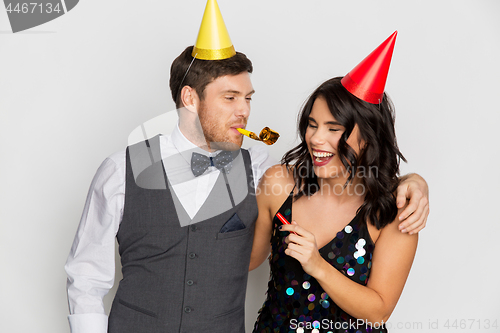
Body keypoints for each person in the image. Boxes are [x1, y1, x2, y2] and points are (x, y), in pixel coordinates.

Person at [65, 3, 428, 332]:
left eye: (248, 98)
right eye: (230, 98)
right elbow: (85, 278)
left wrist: (412, 182)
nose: (245, 111)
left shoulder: (257, 168)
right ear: (190, 98)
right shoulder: (120, 171)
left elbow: (341, 170)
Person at [251, 32, 420, 332]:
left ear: (367, 137)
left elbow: (378, 311)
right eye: (312, 125)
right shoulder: (278, 184)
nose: (316, 138)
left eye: (333, 128)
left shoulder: (394, 212)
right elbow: (244, 262)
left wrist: (316, 264)